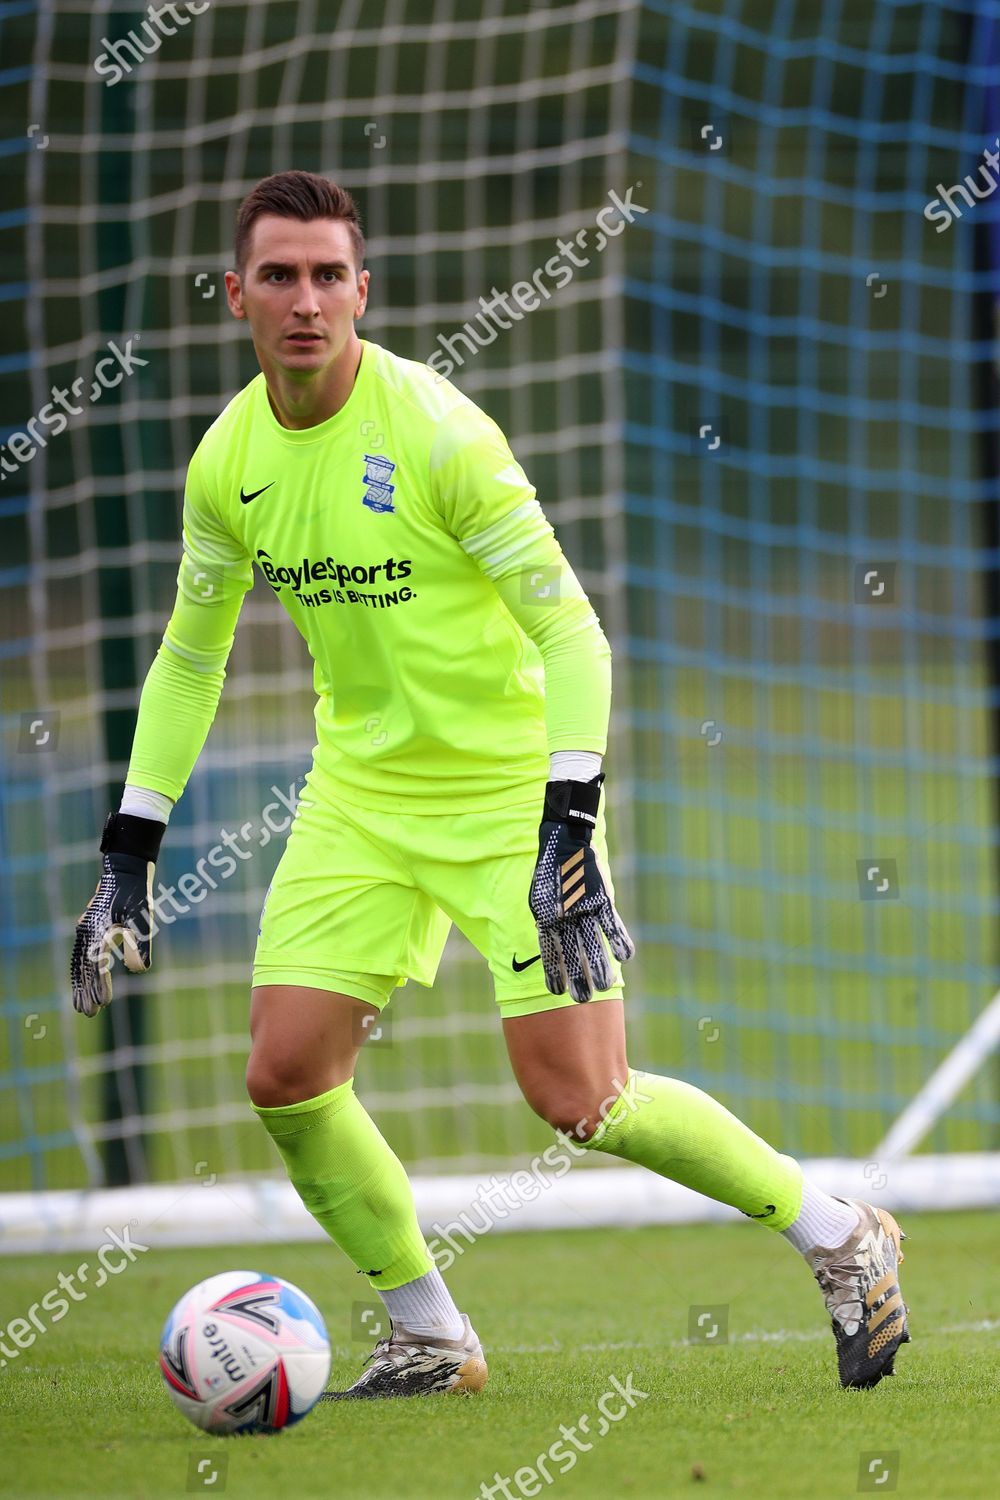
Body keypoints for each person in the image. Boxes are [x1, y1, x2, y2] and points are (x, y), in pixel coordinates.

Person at [71, 170, 908, 1397]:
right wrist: (130, 845)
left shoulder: (442, 434)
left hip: (513, 792)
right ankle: (431, 1334)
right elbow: (191, 659)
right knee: (286, 1074)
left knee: (582, 1099)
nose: (305, 301)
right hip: (359, 794)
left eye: (327, 276)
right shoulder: (225, 462)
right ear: (234, 294)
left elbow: (575, 635)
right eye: (279, 276)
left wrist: (567, 819)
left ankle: (838, 1234)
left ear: (364, 289)